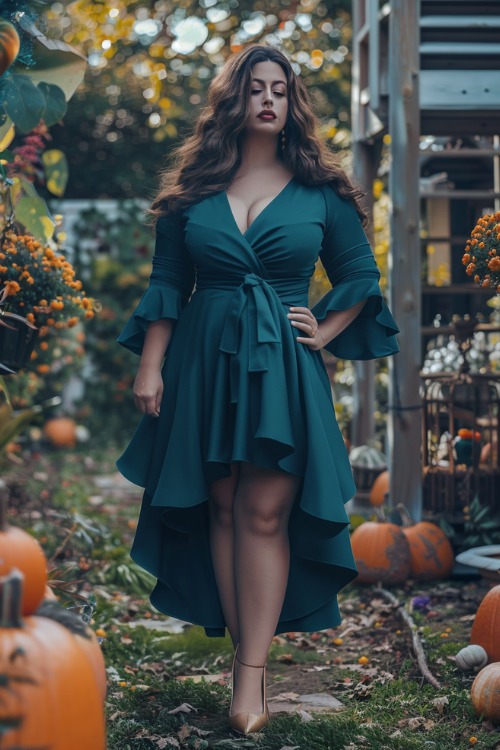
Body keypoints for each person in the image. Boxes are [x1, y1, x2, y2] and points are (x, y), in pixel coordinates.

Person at [115, 43, 399, 735]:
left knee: (265, 512)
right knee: (221, 507)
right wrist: (150, 365)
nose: (268, 99)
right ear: (234, 100)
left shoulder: (322, 193)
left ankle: (250, 680)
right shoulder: (193, 188)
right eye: (255, 88)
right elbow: (167, 285)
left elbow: (360, 275)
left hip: (282, 365)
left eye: (279, 88)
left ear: (291, 102)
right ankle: (250, 664)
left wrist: (325, 333)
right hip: (203, 360)